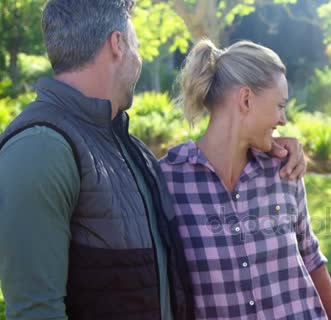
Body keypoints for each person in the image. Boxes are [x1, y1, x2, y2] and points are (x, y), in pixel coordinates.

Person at [0, 1, 306, 319]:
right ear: (117, 44)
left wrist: (264, 146)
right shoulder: (40, 147)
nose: (139, 59)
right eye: (137, 45)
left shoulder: (134, 152)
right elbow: (35, 310)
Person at [159, 39, 331, 320]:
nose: (283, 119)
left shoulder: (284, 169)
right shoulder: (169, 181)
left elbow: (312, 260)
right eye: (280, 105)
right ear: (246, 99)